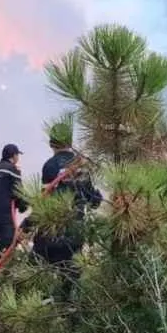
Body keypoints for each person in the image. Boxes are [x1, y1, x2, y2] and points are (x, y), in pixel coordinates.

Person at [22, 124, 102, 303]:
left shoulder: (49, 167)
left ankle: (37, 310)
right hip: (74, 236)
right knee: (70, 286)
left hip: (49, 236)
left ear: (52, 143)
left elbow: (44, 202)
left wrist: (26, 225)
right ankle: (67, 314)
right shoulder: (82, 167)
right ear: (70, 141)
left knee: (33, 279)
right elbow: (93, 201)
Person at [0, 144, 29, 258]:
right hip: (5, 216)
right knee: (7, 249)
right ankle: (3, 274)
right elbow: (19, 191)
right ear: (14, 156)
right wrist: (24, 206)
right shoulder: (12, 169)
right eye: (17, 155)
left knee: (3, 246)